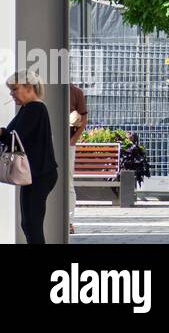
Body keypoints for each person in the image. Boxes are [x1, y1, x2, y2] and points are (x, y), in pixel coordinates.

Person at [2, 71, 58, 244]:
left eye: (15, 89)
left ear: (28, 87)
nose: (12, 93)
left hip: (39, 174)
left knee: (31, 225)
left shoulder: (35, 108)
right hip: (36, 174)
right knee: (29, 224)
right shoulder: (28, 109)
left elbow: (16, 137)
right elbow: (12, 136)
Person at [68, 82, 87, 236]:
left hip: (67, 143)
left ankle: (68, 221)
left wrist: (73, 140)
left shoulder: (76, 92)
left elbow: (83, 117)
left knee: (67, 183)